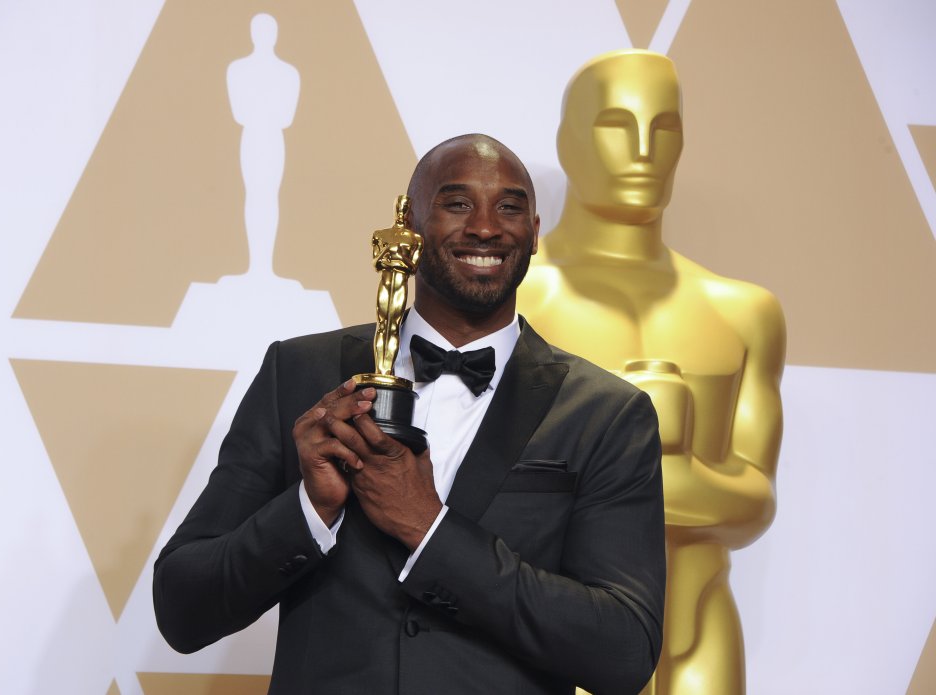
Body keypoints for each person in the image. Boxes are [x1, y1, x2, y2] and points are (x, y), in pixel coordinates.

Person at [153, 133, 665, 695]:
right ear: (410, 226)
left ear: (535, 233)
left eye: (510, 207)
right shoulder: (299, 373)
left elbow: (623, 650)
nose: (487, 227)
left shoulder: (609, 414)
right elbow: (183, 609)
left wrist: (429, 529)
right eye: (457, 203)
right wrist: (308, 508)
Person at [518, 51, 785, 695]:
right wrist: (668, 473)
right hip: (555, 630)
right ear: (567, 141)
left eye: (664, 127)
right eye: (616, 124)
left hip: (699, 631)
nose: (644, 149)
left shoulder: (743, 312)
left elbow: (756, 502)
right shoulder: (515, 301)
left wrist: (638, 470)